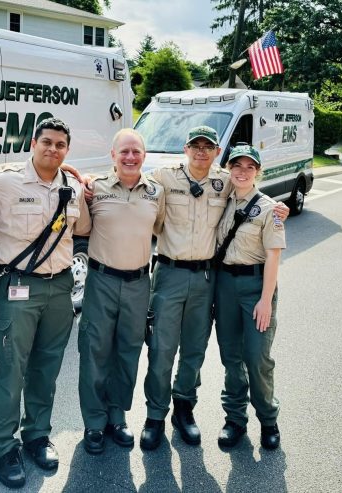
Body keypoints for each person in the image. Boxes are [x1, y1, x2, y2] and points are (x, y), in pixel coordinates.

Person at [0, 117, 91, 489]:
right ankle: (3, 448)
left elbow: (84, 229)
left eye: (60, 144)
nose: (53, 149)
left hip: (59, 288)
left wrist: (85, 185)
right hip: (16, 288)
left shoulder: (71, 186)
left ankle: (37, 435)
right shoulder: (4, 182)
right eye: (47, 142)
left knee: (46, 368)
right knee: (11, 371)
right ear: (33, 143)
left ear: (67, 150)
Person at [139, 126, 232, 450]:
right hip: (169, 273)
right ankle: (154, 417)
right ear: (186, 148)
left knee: (194, 350)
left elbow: (251, 195)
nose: (201, 151)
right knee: (162, 350)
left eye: (208, 146)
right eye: (196, 146)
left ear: (217, 152)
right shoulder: (164, 177)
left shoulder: (225, 182)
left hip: (205, 278)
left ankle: (183, 408)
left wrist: (276, 212)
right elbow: (128, 178)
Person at [78, 129, 165, 455]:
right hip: (101, 281)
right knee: (95, 352)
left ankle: (117, 415)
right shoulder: (95, 189)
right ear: (112, 155)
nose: (130, 157)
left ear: (144, 155)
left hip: (139, 283)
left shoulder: (156, 192)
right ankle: (95, 421)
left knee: (128, 353)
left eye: (136, 152)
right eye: (124, 152)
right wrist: (81, 183)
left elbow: (166, 226)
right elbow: (82, 228)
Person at [214, 144, 286, 451]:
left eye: (249, 167)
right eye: (237, 166)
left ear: (258, 172)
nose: (242, 172)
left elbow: (273, 257)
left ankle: (268, 420)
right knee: (231, 358)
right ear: (229, 169)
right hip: (225, 286)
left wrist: (265, 300)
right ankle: (235, 420)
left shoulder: (270, 208)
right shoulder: (221, 200)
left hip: (256, 288)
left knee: (257, 358)